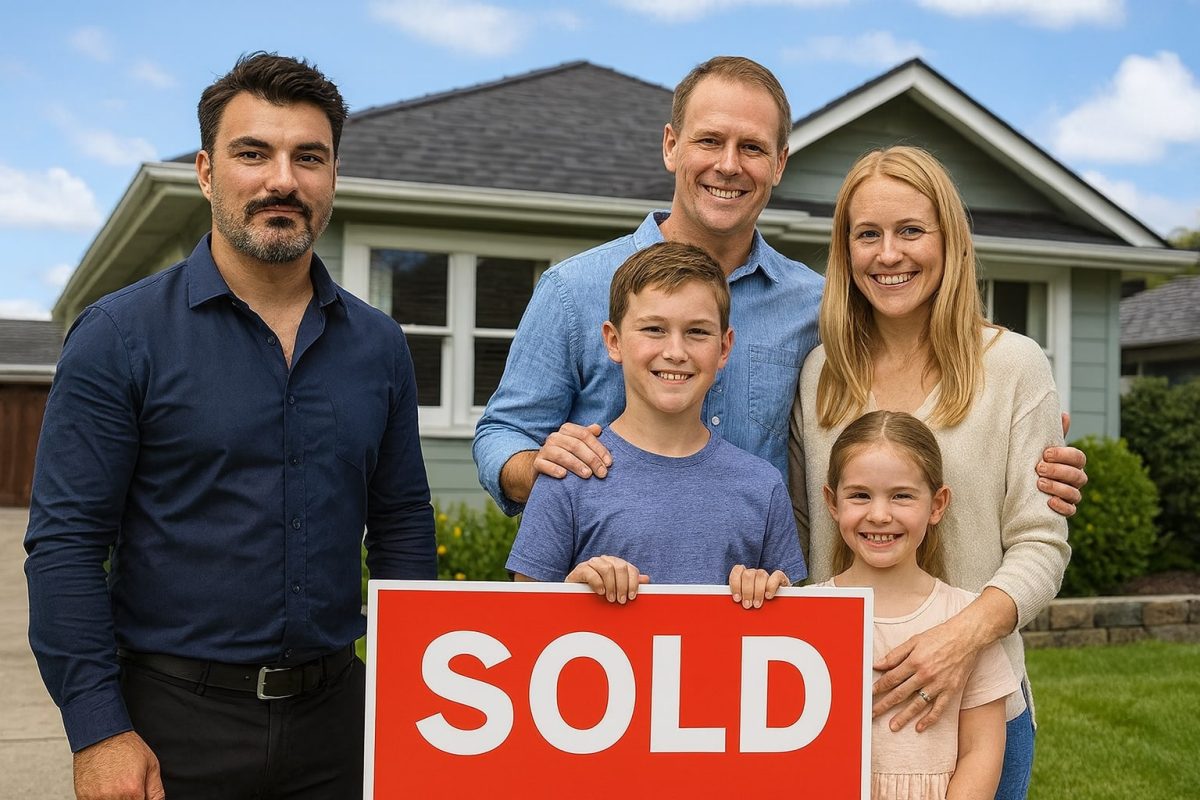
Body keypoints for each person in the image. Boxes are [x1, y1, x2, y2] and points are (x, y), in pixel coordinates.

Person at [24, 52, 437, 800]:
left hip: (342, 722)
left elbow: (403, 523)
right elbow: (66, 547)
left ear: (332, 176)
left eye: (308, 157)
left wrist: (417, 691)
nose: (283, 179)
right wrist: (98, 730)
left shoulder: (379, 346)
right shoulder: (121, 336)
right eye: (254, 153)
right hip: (170, 725)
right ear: (207, 173)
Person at [472, 56, 1086, 525]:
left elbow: (898, 400)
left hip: (765, 614)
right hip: (609, 601)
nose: (729, 165)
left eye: (752, 148)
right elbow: (502, 435)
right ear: (671, 146)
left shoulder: (817, 306)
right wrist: (543, 469)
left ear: (781, 163)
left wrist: (1023, 443)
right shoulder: (574, 289)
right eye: (710, 141)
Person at [791, 145, 1070, 798]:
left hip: (979, 709)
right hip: (835, 710)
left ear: (949, 241)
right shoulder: (820, 376)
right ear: (846, 250)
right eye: (868, 234)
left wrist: (958, 640)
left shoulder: (1014, 366)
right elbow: (812, 537)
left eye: (911, 230)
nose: (889, 255)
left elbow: (1041, 543)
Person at [506, 242, 805, 605]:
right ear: (613, 341)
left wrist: (766, 591)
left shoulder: (762, 487)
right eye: (653, 329)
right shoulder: (568, 477)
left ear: (724, 348)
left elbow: (791, 625)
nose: (676, 352)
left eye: (697, 332)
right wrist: (574, 594)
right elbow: (521, 621)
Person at [815, 410, 1016, 800]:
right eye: (859, 495)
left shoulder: (965, 620)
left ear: (937, 504)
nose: (879, 514)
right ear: (832, 502)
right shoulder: (804, 612)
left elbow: (981, 750)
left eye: (902, 496)